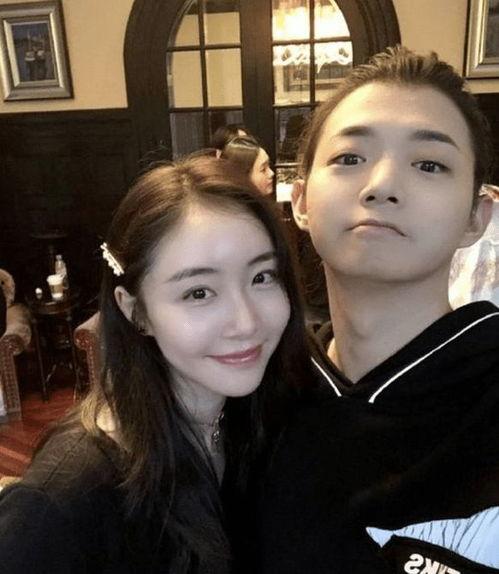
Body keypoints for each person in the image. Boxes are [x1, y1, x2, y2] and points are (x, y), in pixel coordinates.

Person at [0, 155, 310, 574]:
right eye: (199, 293)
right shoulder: (65, 497)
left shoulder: (255, 420)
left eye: (261, 277)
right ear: (136, 312)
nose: (247, 322)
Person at [257, 46, 499, 574]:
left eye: (429, 164)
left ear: (476, 217)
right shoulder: (260, 390)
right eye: (349, 159)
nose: (382, 186)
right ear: (300, 200)